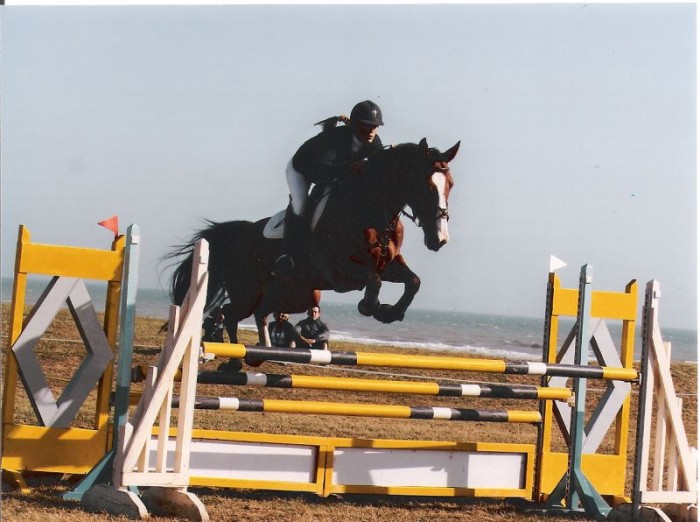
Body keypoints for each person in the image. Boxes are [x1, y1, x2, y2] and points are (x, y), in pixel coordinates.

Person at [272, 100, 385, 277]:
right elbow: (320, 172)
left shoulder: (375, 143)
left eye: (375, 126)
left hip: (333, 172)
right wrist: (350, 168)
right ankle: (287, 256)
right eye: (367, 125)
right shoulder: (335, 139)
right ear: (355, 125)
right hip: (303, 169)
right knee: (300, 205)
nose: (372, 130)